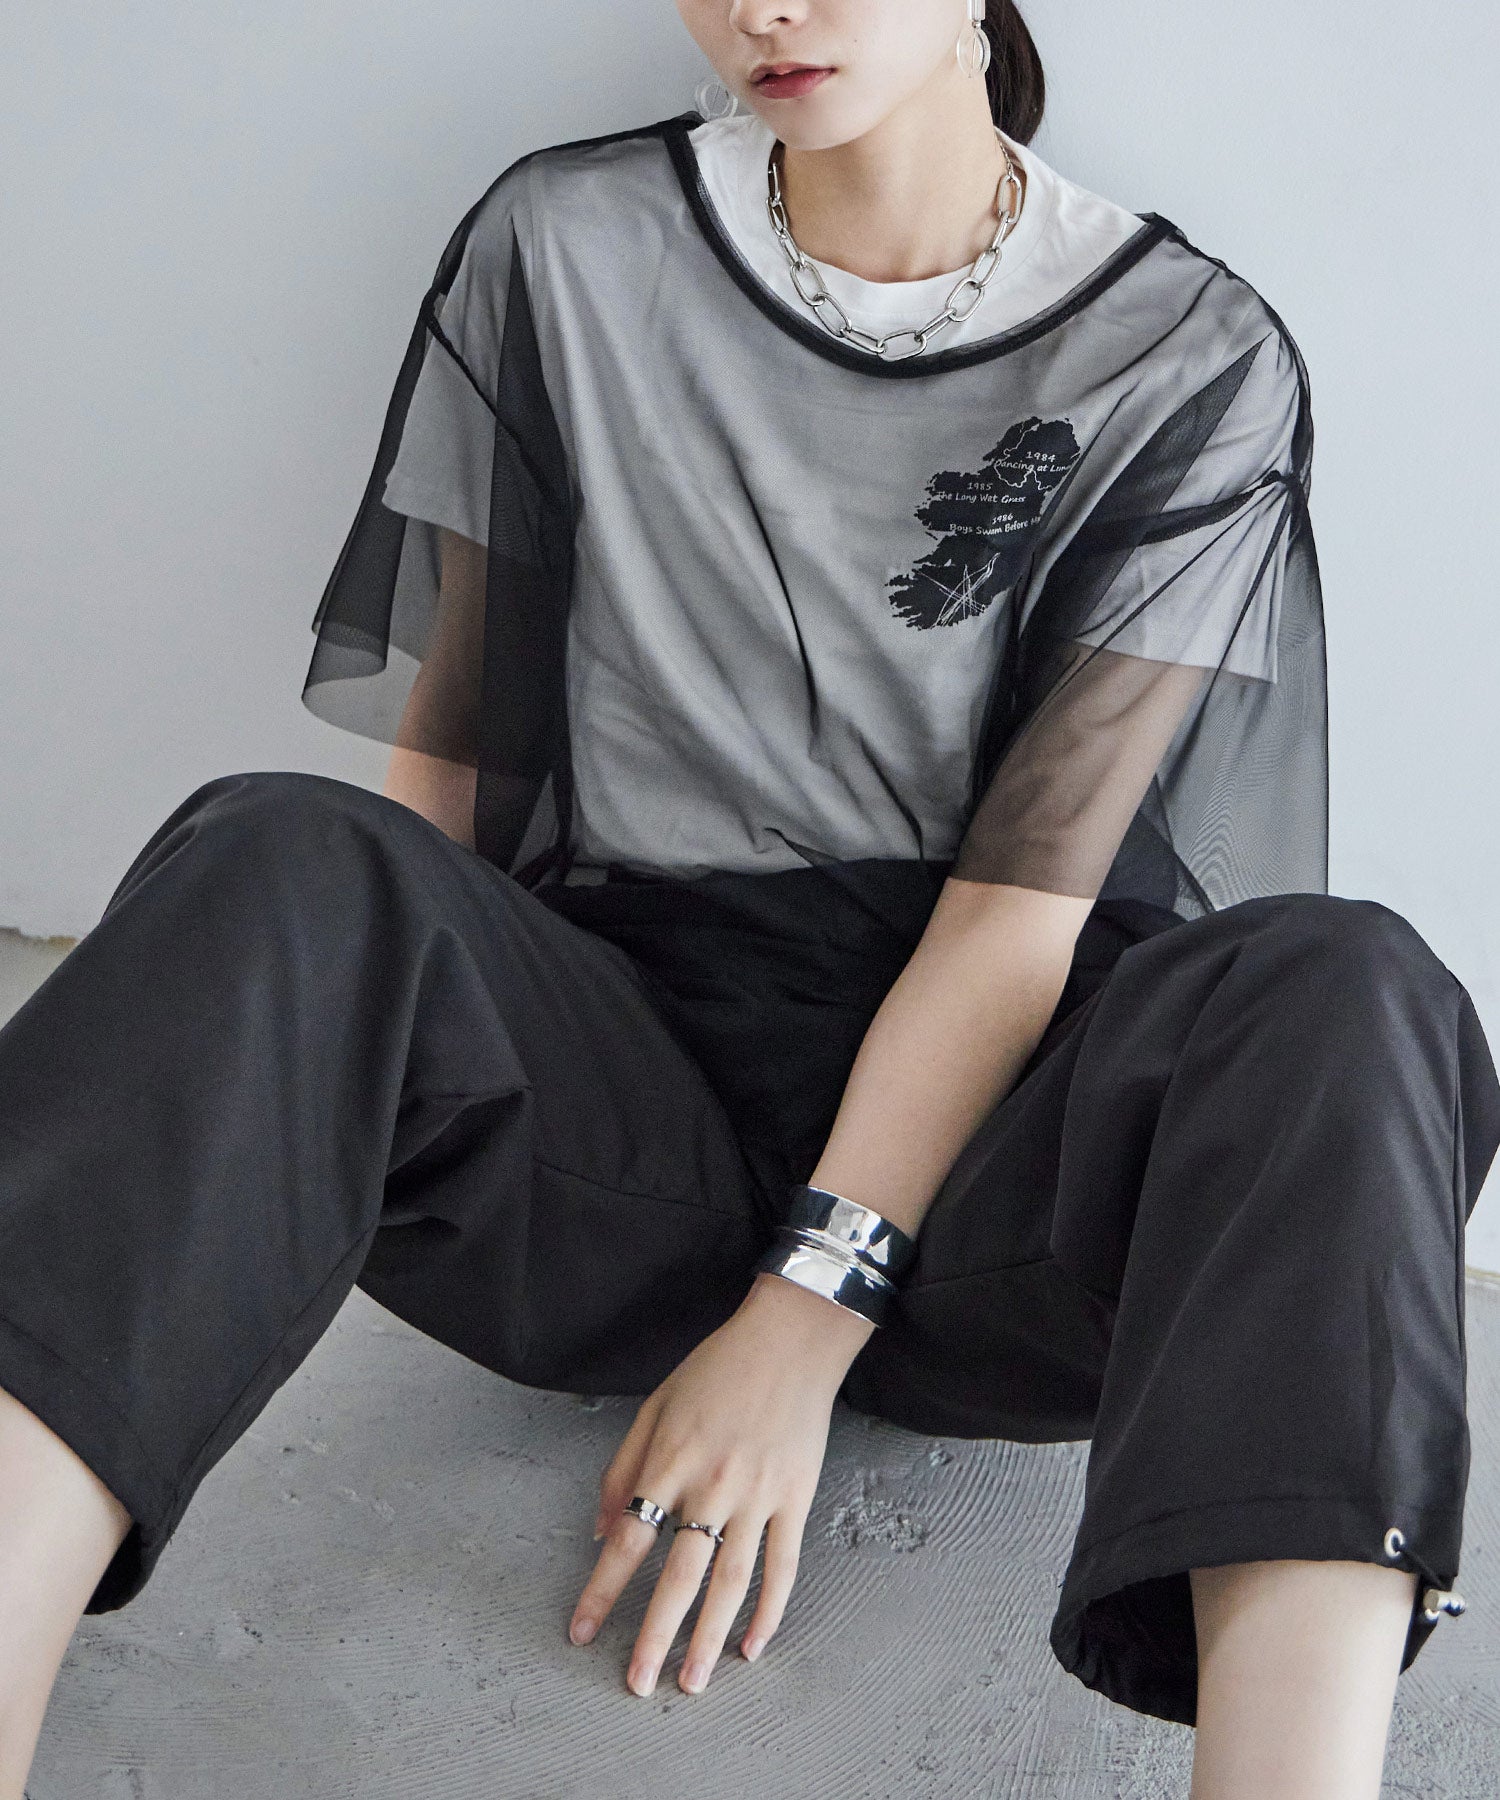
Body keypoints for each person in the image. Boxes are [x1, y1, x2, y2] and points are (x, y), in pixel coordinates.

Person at [0, 2, 1495, 1796]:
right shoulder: (566, 244)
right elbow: (455, 761)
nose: (761, 6)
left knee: (1352, 982)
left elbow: (1020, 910)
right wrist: (345, 1033)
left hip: (997, 1193)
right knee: (277, 851)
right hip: (617, 1143)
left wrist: (806, 1313)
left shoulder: (1183, 347)